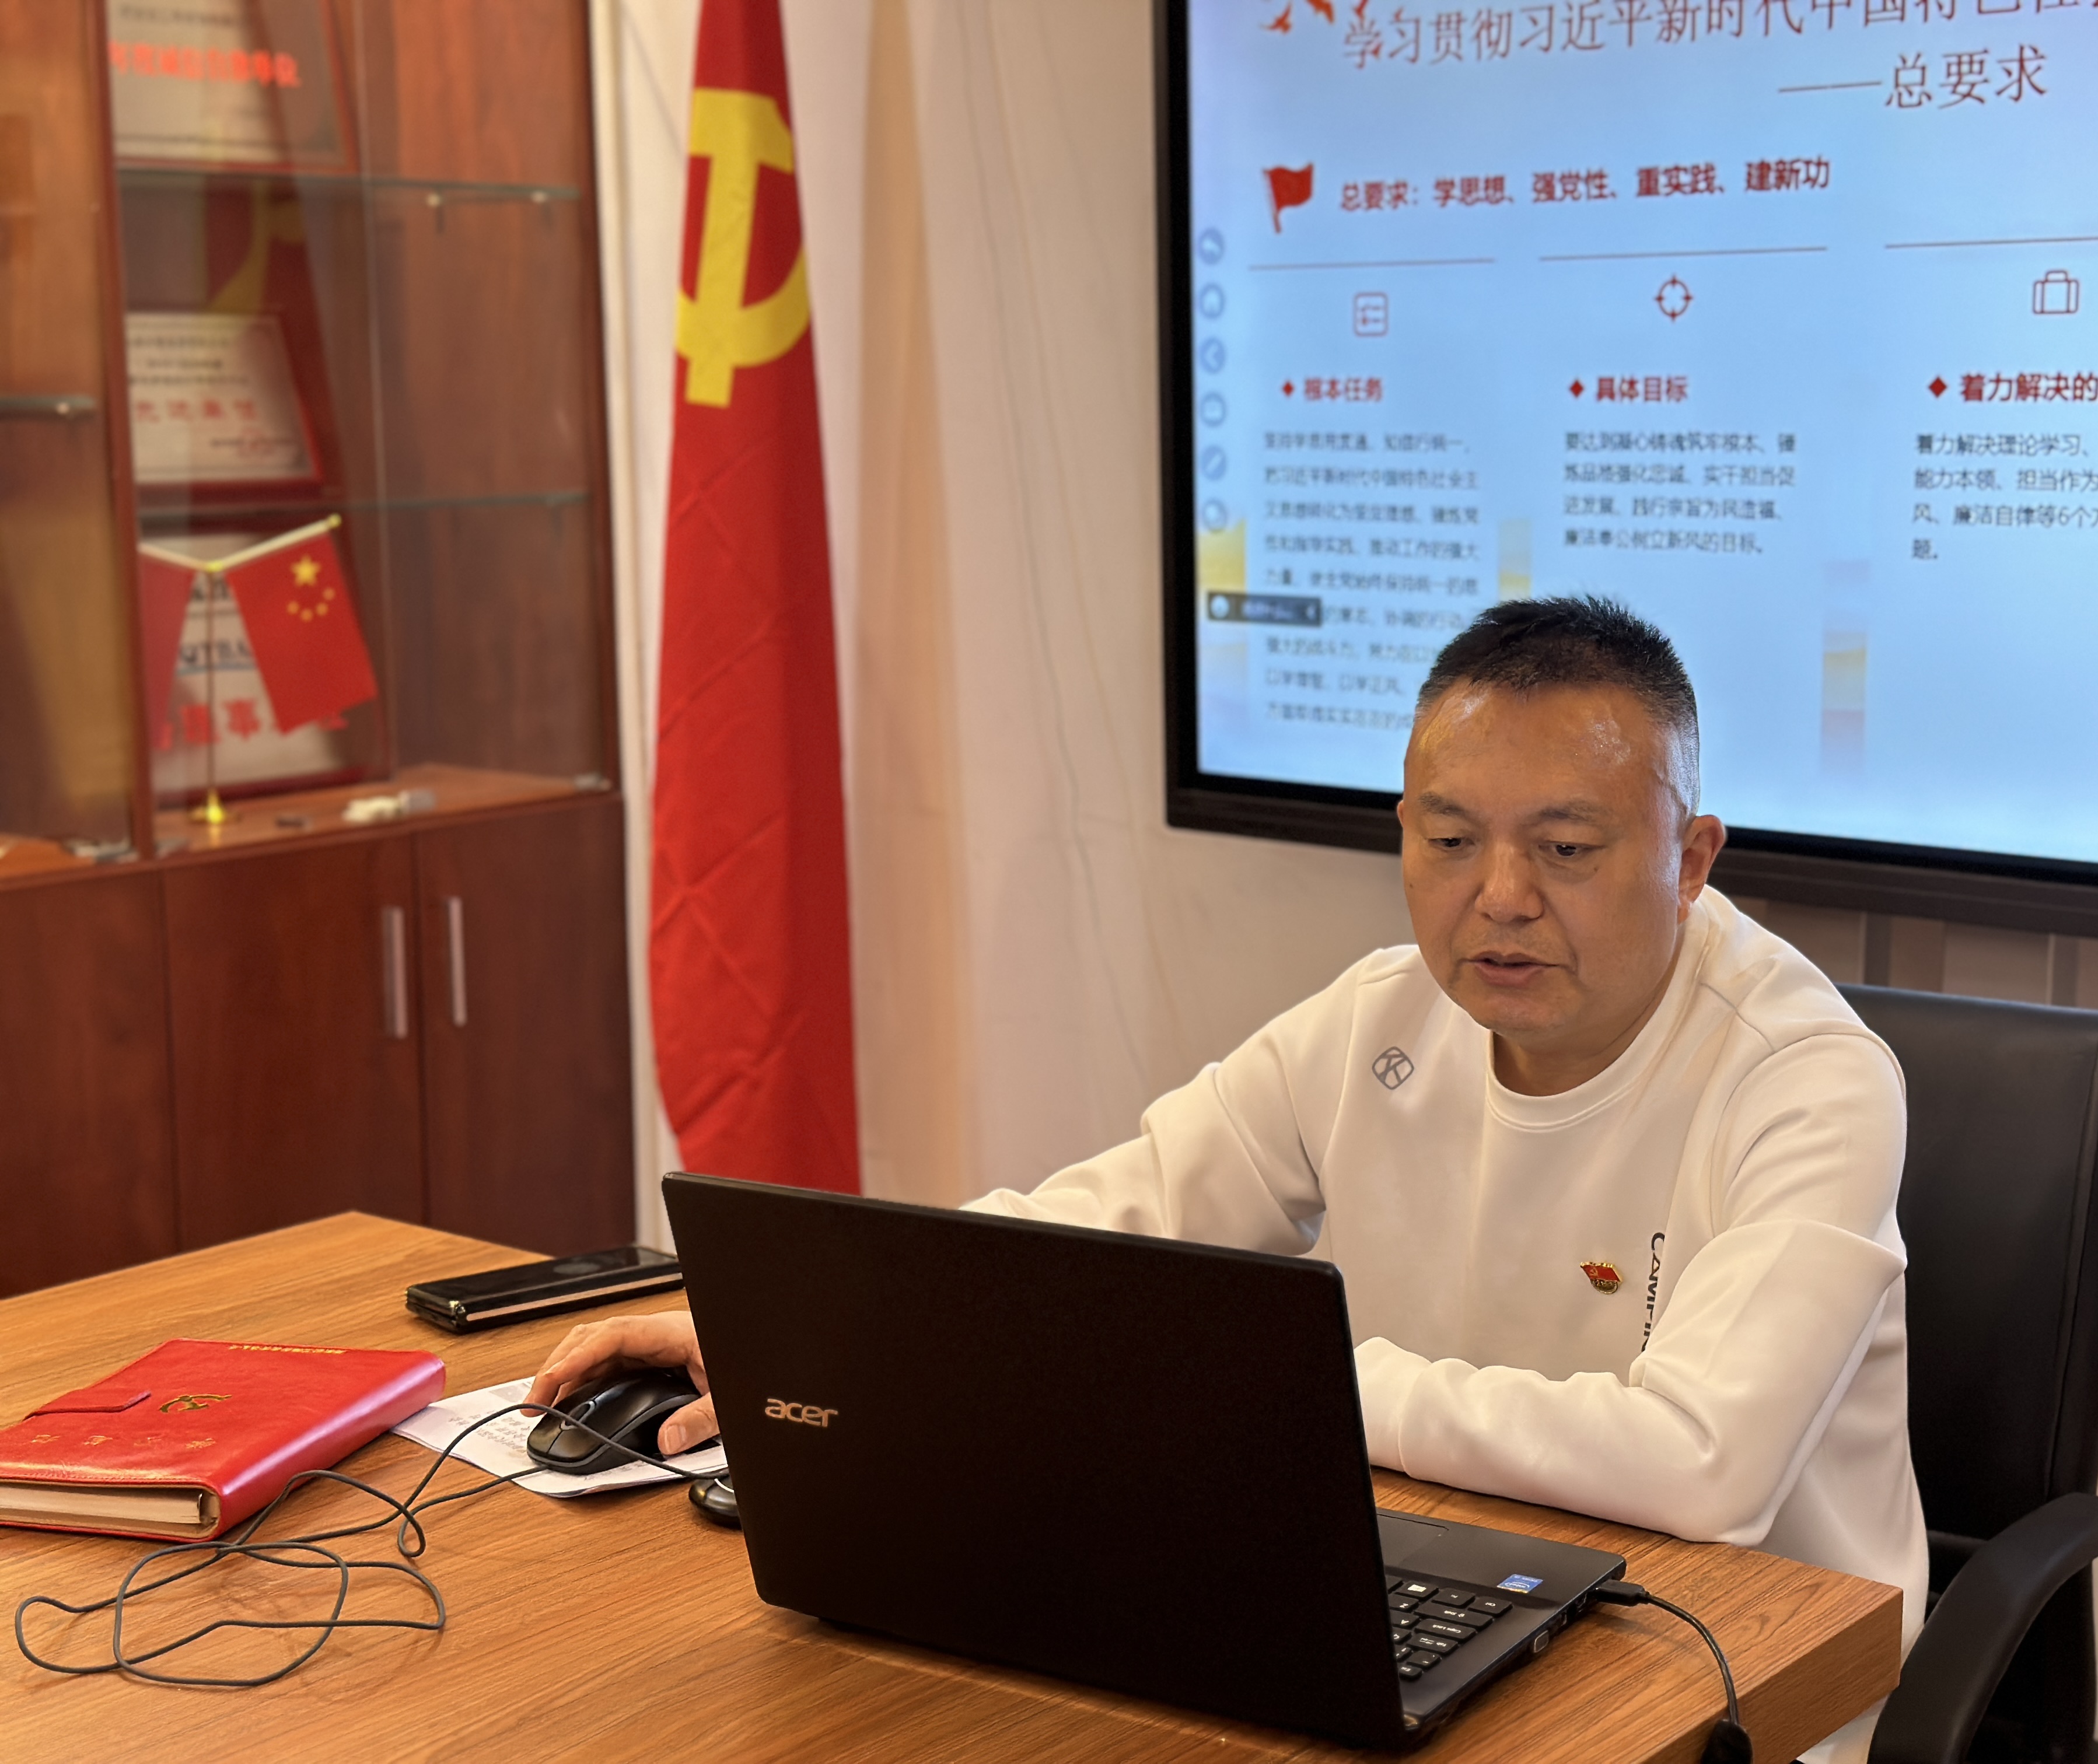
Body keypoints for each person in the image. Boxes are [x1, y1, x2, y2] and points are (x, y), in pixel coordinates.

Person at [530, 596, 1926, 1760]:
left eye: (1565, 849)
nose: (1500, 895)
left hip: (1740, 1669)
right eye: (1449, 840)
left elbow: (1703, 1466)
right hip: (1432, 1585)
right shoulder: (1380, 1017)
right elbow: (1103, 1227)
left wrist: (1300, 1391)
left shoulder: (1806, 1079)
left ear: (1689, 859)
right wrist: (812, 1330)